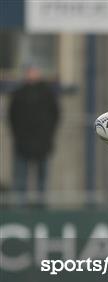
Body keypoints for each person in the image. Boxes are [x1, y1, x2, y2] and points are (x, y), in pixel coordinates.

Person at [8, 65, 60, 205]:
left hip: (42, 142)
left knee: (42, 178)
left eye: (34, 71)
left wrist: (48, 135)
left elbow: (55, 115)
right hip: (22, 142)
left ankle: (41, 205)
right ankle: (20, 207)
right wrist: (18, 136)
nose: (32, 75)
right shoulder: (19, 94)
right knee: (21, 178)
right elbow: (12, 117)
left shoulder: (47, 94)